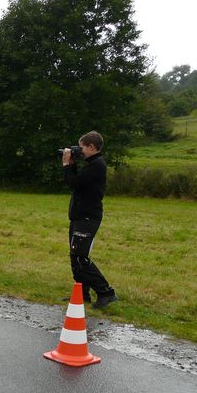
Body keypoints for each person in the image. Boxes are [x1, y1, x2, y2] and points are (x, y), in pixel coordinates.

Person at [62, 131, 118, 309]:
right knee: (75, 256)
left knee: (80, 257)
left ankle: (106, 292)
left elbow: (73, 183)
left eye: (82, 148)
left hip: (87, 218)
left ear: (92, 147)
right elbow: (78, 184)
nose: (80, 151)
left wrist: (66, 165)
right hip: (79, 216)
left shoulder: (97, 165)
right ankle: (82, 292)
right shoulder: (91, 164)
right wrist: (72, 165)